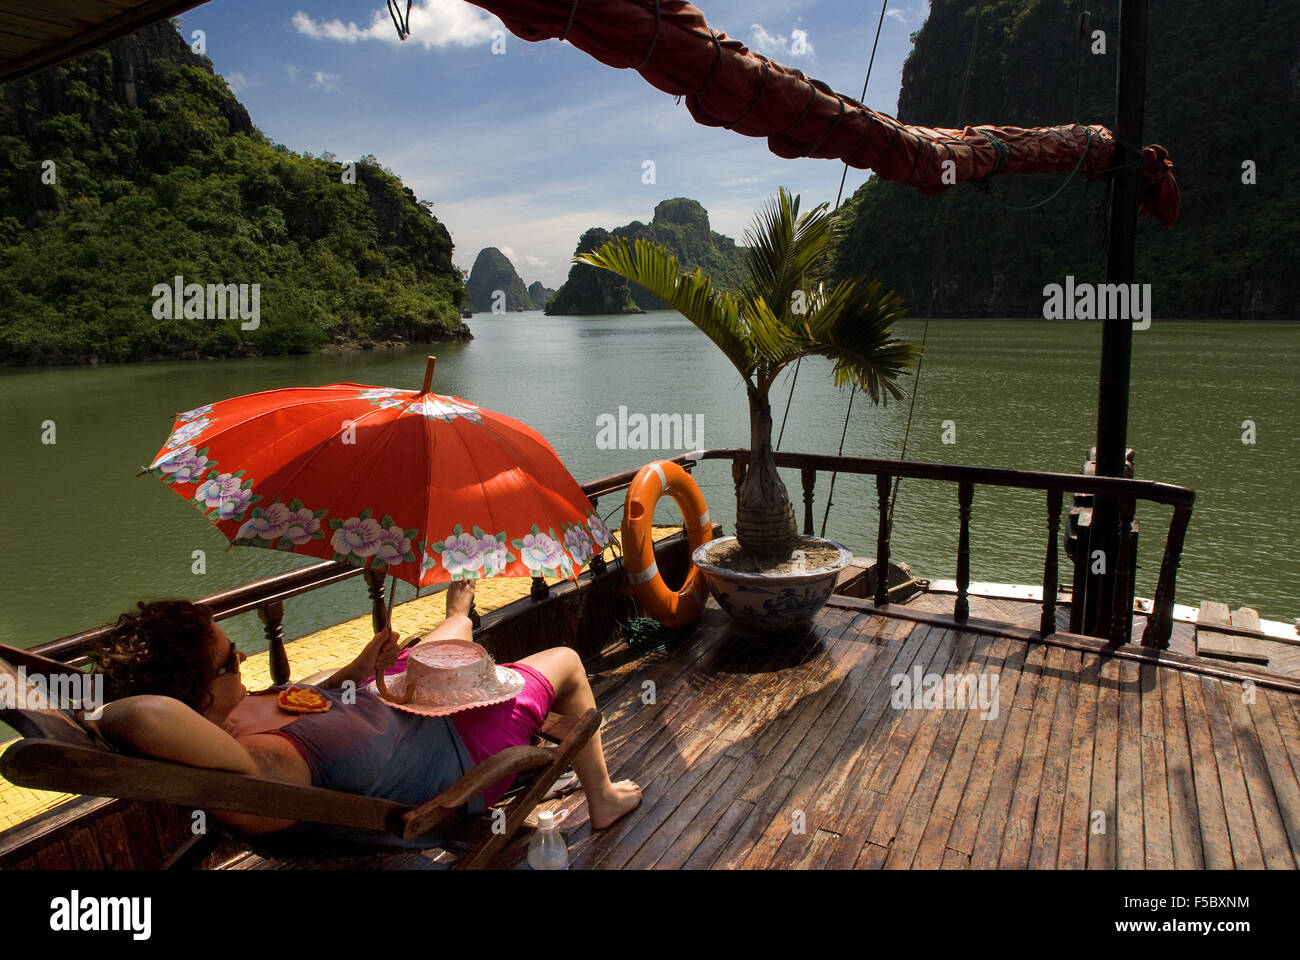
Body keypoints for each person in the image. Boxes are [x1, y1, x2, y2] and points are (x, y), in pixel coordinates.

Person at [90, 580, 641, 846]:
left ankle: (458, 614)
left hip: (387, 703)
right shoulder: (256, 767)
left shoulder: (226, 721)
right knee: (566, 659)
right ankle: (604, 799)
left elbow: (297, 708)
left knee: (442, 642)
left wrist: (349, 674)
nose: (244, 657)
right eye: (231, 658)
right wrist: (101, 711)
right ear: (195, 695)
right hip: (457, 750)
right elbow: (147, 715)